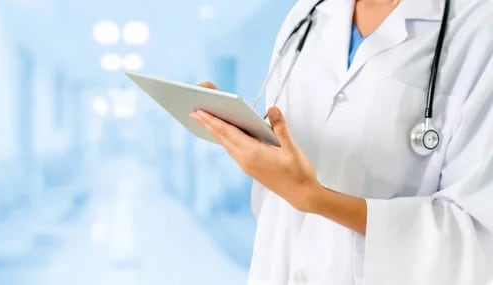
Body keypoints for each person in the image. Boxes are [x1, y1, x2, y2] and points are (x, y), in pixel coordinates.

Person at [190, 0, 493, 284]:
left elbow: (478, 236)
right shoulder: (308, 14)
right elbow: (279, 184)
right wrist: (249, 138)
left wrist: (316, 199)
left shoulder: (478, 28)